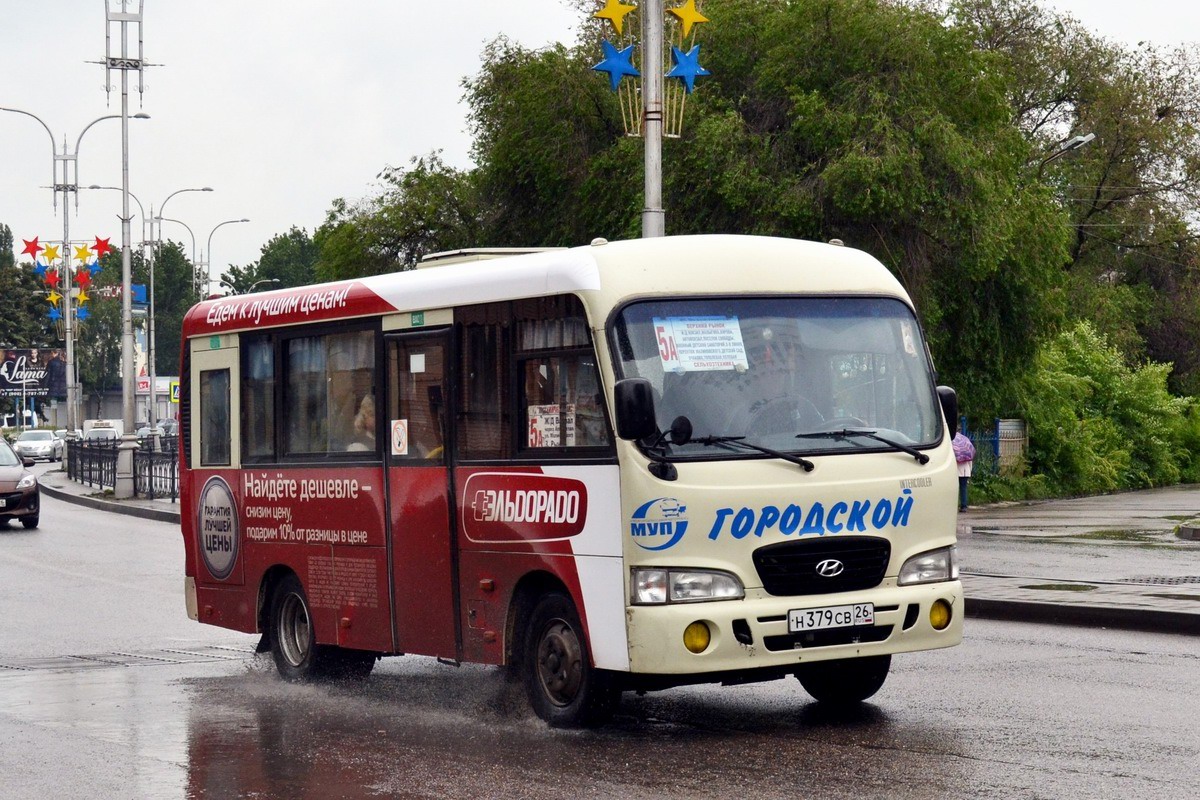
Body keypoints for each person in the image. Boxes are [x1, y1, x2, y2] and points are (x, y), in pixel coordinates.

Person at [952, 430, 976, 511]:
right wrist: (970, 471)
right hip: (966, 472)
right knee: (963, 488)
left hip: (956, 472)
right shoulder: (966, 450)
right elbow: (970, 463)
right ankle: (964, 506)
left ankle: (954, 505)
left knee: (954, 489)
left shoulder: (954, 449)